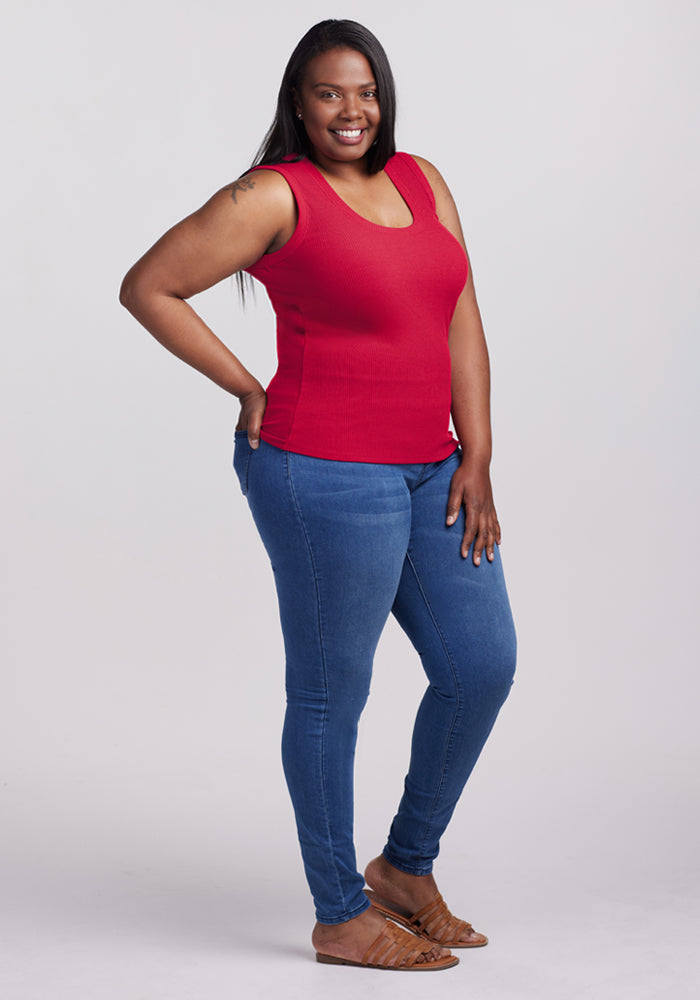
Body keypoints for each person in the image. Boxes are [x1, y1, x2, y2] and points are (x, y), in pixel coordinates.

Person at [120, 18, 516, 972]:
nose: (352, 110)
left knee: (482, 665)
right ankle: (340, 913)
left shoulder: (422, 180)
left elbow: (461, 310)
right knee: (335, 693)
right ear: (299, 103)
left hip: (433, 470)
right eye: (330, 92)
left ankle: (403, 869)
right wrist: (248, 385)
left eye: (366, 91)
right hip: (322, 473)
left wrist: (480, 454)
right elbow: (151, 286)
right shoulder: (272, 195)